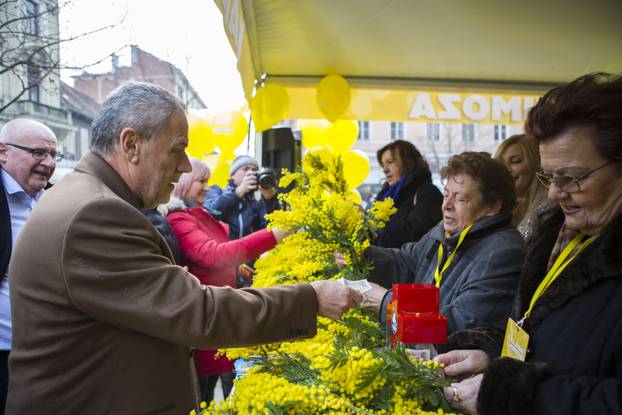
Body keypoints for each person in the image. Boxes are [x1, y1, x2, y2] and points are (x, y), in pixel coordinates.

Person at [6, 82, 362, 414]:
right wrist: (310, 299)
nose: (186, 166)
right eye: (177, 150)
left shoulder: (90, 199)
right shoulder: (94, 212)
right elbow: (195, 311)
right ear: (131, 145)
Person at [436, 73, 622, 415]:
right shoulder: (559, 235)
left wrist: (517, 394)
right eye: (549, 177)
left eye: (572, 177)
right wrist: (492, 361)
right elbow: (544, 338)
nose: (554, 192)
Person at [165, 157, 290, 404]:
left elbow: (216, 251)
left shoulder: (197, 213)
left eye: (207, 181)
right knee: (202, 396)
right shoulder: (180, 218)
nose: (207, 187)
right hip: (205, 321)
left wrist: (236, 269)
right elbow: (212, 254)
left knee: (211, 390)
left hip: (218, 317)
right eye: (201, 181)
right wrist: (272, 236)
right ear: (183, 183)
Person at [361, 152, 525, 334]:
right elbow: (409, 261)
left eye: (460, 199)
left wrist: (386, 304)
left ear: (493, 207)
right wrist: (361, 255)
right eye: (446, 194)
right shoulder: (446, 230)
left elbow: (458, 323)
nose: (446, 205)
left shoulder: (503, 251)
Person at [0, 119, 59, 413]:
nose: (48, 163)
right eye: (38, 152)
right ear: (3, 152)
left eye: (53, 155)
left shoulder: (56, 199)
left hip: (48, 352)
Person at [373, 140, 443, 248]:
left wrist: (371, 222)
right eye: (383, 165)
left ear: (408, 163)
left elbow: (413, 236)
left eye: (390, 162)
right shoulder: (383, 196)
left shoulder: (428, 194)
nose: (385, 170)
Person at [494, 134, 557, 245]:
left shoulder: (551, 205)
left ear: (535, 163)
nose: (506, 169)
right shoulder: (494, 205)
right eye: (501, 163)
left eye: (515, 161)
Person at [204, 155, 278, 240]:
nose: (250, 172)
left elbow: (267, 230)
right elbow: (209, 214)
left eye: (254, 170)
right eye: (245, 169)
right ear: (232, 175)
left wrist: (269, 200)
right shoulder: (216, 190)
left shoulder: (255, 203)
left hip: (248, 251)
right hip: (221, 250)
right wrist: (238, 192)